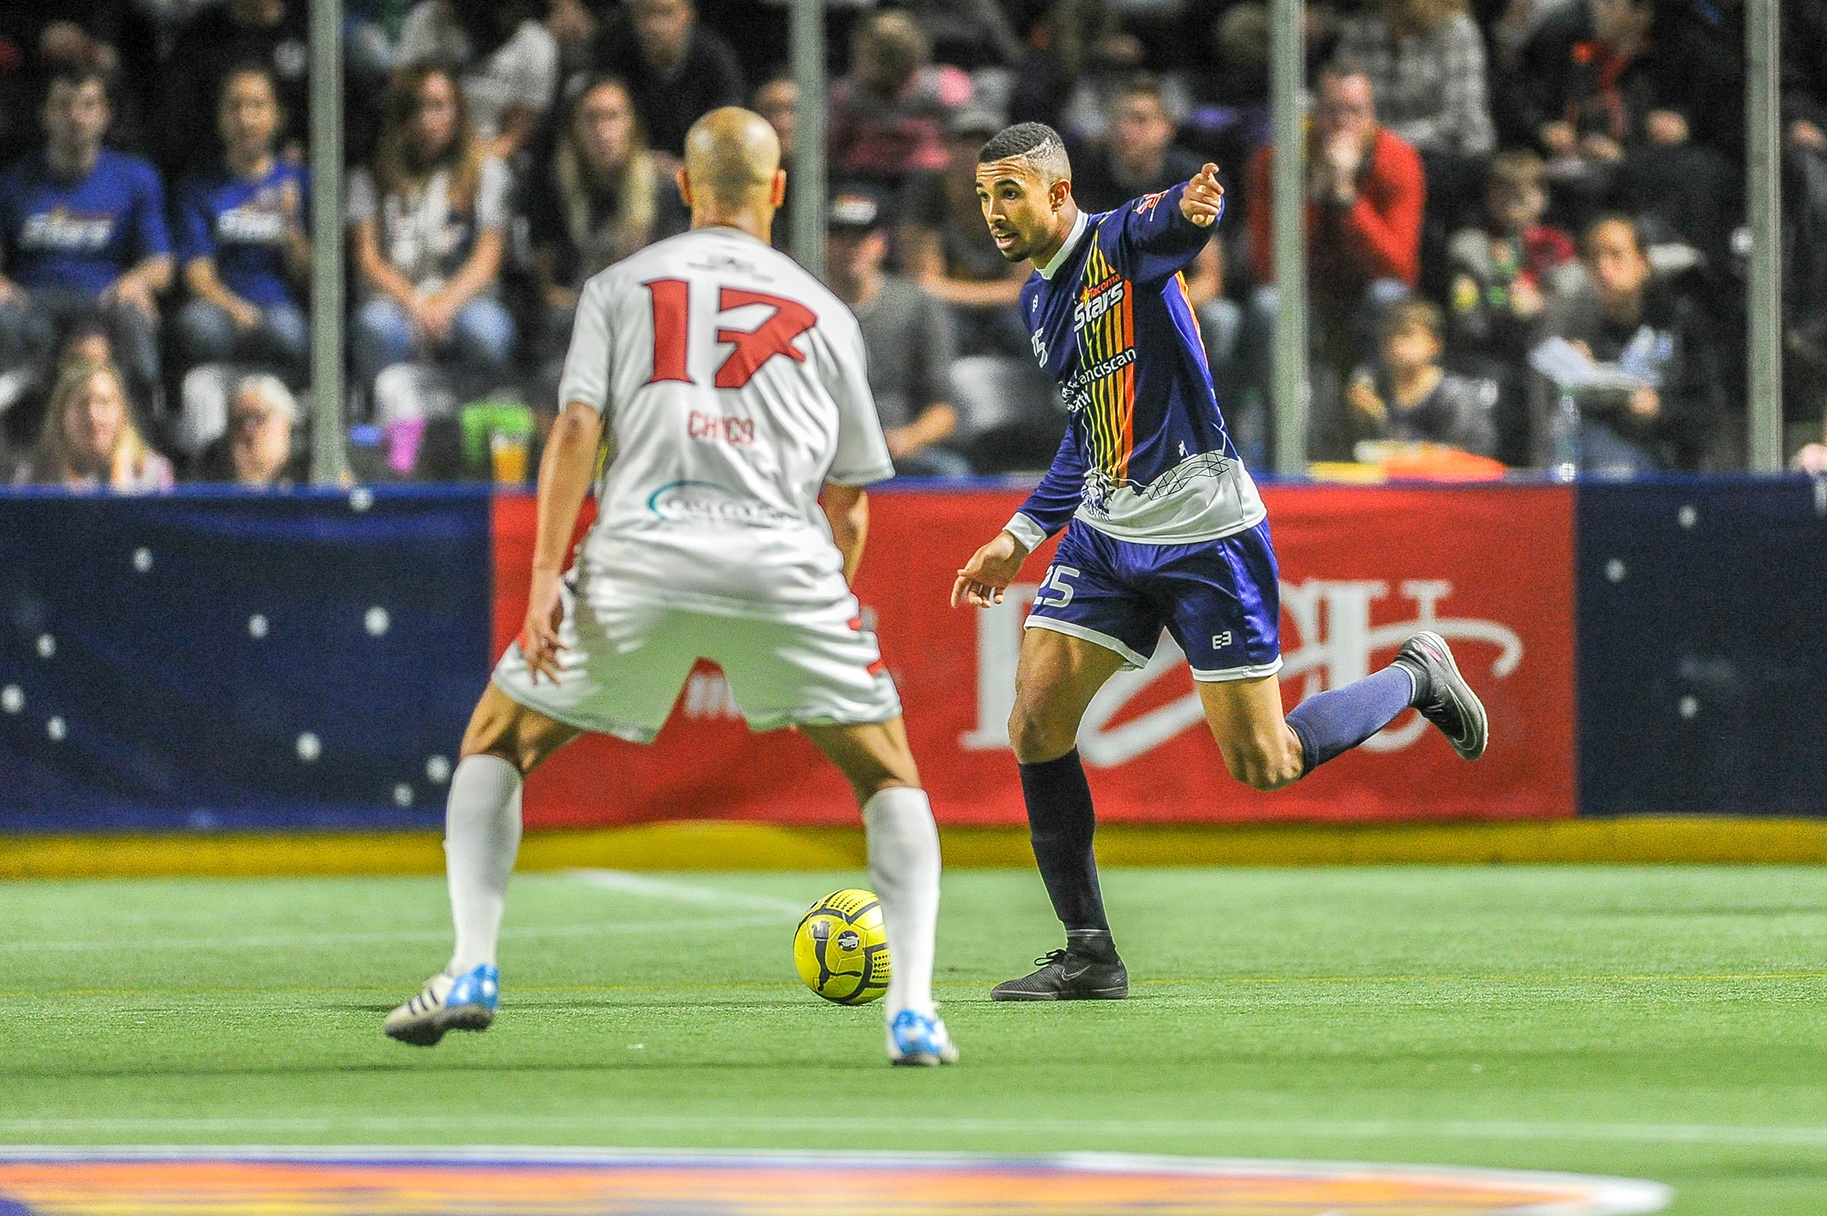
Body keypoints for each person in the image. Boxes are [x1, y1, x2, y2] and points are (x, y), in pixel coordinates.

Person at [383, 107, 957, 1067]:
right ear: (778, 192)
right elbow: (849, 502)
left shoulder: (617, 286)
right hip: (781, 559)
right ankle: (913, 1013)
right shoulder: (824, 311)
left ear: (683, 190)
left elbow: (572, 434)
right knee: (887, 773)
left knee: (499, 739)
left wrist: (540, 586)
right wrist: (822, 605)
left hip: (640, 552)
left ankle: (473, 966)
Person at [950, 123, 1486, 999]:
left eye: (1009, 192)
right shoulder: (1037, 304)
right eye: (982, 196)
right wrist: (1016, 536)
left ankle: (1416, 676)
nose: (994, 212)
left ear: (1057, 192)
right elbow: (1089, 435)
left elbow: (1165, 224)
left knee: (1264, 762)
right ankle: (1089, 953)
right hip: (1107, 529)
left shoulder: (1119, 242)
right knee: (1034, 722)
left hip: (1203, 529)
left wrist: (1195, 213)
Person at [1244, 61, 1424, 457]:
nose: (1342, 123)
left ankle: (1382, 442)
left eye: (1354, 111)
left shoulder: (1397, 159)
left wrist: (1346, 198)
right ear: (1314, 114)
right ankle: (1283, 453)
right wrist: (1313, 193)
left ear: (1371, 115)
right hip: (1303, 294)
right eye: (1331, 111)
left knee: (1390, 296)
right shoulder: (1275, 160)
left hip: (1366, 294)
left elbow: (1400, 267)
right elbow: (1268, 266)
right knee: (1266, 306)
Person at [0, 66, 172, 409]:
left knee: (136, 318)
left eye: (87, 105)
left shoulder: (137, 177)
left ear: (105, 115)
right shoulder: (11, 181)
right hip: (33, 303)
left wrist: (137, 282)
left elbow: (160, 264)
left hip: (104, 299)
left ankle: (148, 427)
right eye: (63, 105)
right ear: (46, 114)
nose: (75, 116)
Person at [347, 65, 516, 400]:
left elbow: (488, 258)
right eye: (417, 108)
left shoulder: (487, 173)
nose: (428, 119)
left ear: (458, 111)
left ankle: (472, 415)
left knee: (487, 330)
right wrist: (417, 304)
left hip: (464, 299)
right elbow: (367, 260)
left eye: (439, 106)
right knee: (375, 328)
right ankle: (390, 423)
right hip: (397, 300)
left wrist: (444, 305)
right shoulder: (370, 177)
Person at [1532, 212, 1723, 472]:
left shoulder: (1679, 326)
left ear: (1643, 263)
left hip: (1669, 469)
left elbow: (1706, 412)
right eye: (1594, 258)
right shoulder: (1581, 330)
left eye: (1616, 255)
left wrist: (1658, 408)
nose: (1603, 268)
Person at [525, 75, 685, 383]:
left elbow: (672, 280)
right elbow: (548, 288)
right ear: (575, 129)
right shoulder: (553, 187)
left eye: (612, 117)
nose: (603, 130)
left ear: (632, 124)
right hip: (575, 313)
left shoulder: (660, 189)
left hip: (642, 314)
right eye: (592, 118)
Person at [172, 65, 311, 382]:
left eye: (257, 106)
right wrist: (238, 311)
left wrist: (291, 225)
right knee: (198, 326)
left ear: (276, 116)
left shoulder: (301, 182)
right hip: (220, 307)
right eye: (235, 107)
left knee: (288, 332)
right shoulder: (199, 187)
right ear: (220, 118)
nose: (246, 119)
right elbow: (197, 276)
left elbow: (311, 277)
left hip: (281, 307)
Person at [824, 188, 968, 479]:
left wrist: (908, 438)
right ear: (825, 243)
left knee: (950, 472)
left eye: (862, 237)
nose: (852, 247)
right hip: (824, 450)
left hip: (899, 450)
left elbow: (946, 409)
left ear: (880, 243)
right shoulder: (809, 305)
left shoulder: (916, 304)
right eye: (841, 236)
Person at [899, 106, 1033, 358]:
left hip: (1009, 312)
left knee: (1028, 327)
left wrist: (947, 289)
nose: (975, 154)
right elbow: (922, 282)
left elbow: (1025, 288)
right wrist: (999, 292)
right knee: (937, 328)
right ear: (946, 148)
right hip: (949, 311)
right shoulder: (926, 191)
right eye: (965, 143)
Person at [395, 0, 558, 163]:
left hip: (489, 156)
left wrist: (466, 165)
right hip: (423, 148)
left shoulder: (535, 43)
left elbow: (512, 138)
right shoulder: (426, 19)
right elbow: (402, 101)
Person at [161, 0, 310, 173]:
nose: (246, 118)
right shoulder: (203, 36)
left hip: (299, 171)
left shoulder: (310, 26)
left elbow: (338, 114)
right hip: (216, 179)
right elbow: (179, 125)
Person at [827, 10, 970, 190]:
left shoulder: (944, 86)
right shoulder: (848, 95)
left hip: (928, 180)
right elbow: (834, 147)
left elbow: (963, 142)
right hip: (864, 179)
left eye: (889, 54)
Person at [585, 0, 744, 159]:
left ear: (687, 13)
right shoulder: (614, 56)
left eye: (666, 12)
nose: (655, 25)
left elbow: (728, 125)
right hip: (633, 166)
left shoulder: (715, 60)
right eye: (646, 14)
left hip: (700, 165)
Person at [1345, 298, 1496, 455]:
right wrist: (1362, 420)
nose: (1396, 342)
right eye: (1388, 335)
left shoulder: (1455, 395)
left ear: (1435, 343)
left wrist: (1383, 422)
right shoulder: (1374, 388)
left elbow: (1460, 456)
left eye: (1407, 334)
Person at [15, 357, 171, 490]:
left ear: (122, 414)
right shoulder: (35, 476)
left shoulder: (150, 472)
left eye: (104, 402)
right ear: (61, 415)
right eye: (82, 403)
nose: (93, 415)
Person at [193, 372, 305, 487]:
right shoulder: (209, 467)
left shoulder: (309, 469)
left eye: (259, 417)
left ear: (285, 422)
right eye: (238, 421)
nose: (248, 429)